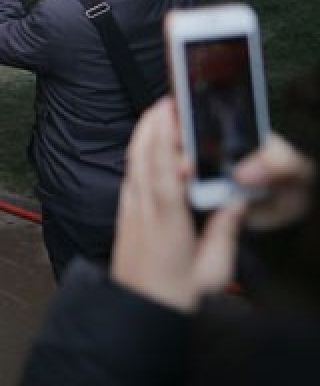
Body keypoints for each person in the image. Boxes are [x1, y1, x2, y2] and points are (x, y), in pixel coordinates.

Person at [21, 94, 319, 384]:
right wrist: (290, 230)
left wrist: (121, 333)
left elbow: (4, 44)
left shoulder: (252, 354)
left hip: (83, 190)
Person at [0, 0, 194, 280]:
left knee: (92, 309)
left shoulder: (59, 20)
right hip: (158, 191)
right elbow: (117, 14)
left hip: (85, 205)